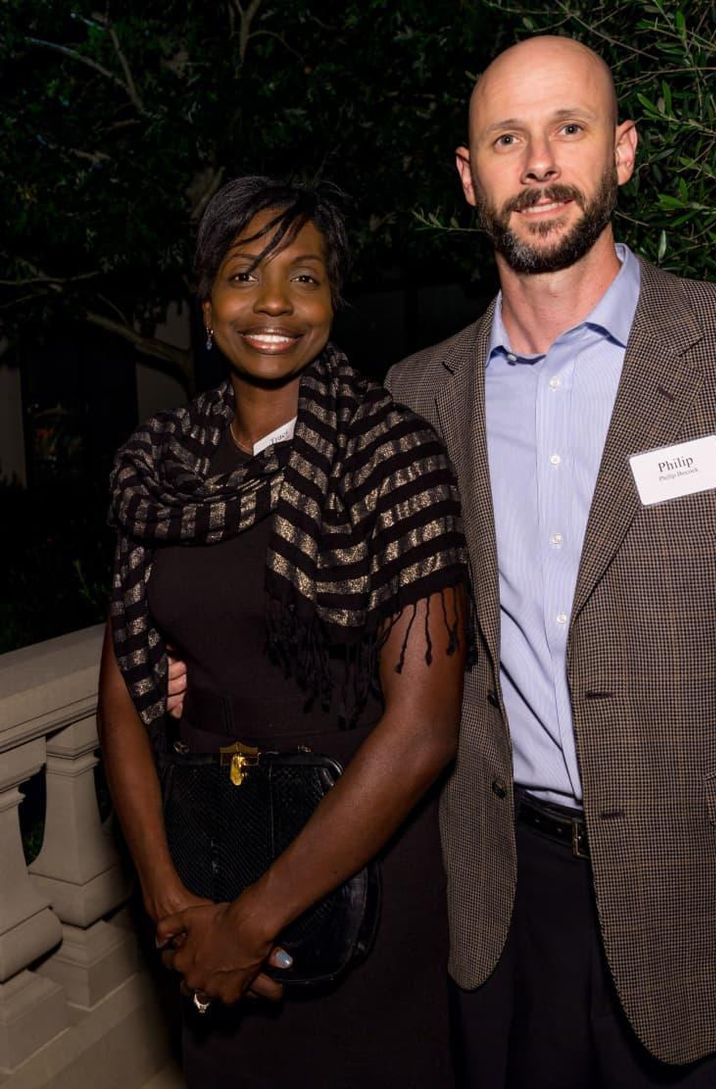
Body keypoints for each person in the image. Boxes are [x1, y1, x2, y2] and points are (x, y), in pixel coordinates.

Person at [383, 34, 716, 1088]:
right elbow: (377, 622)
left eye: (568, 130)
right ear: (467, 177)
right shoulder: (419, 393)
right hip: (503, 914)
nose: (537, 165)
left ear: (620, 153)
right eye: (506, 139)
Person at [98, 176, 468, 1089]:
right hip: (205, 860)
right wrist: (169, 898)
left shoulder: (396, 456)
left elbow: (423, 732)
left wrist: (251, 924)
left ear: (334, 299)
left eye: (304, 278)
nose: (273, 305)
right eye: (243, 275)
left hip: (362, 880)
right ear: (205, 299)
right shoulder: (159, 466)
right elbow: (119, 697)